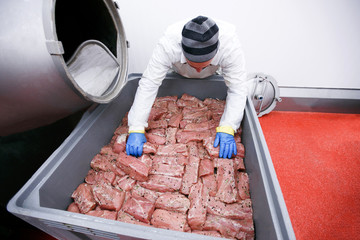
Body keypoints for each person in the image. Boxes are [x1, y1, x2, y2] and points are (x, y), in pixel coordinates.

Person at [126, 16, 249, 159]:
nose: (198, 72)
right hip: (178, 70)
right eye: (193, 66)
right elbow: (149, 83)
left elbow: (238, 87)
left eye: (204, 66)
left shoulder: (230, 46)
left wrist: (229, 126)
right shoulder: (168, 45)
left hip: (213, 73)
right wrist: (136, 126)